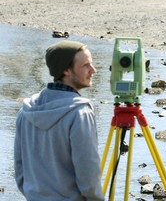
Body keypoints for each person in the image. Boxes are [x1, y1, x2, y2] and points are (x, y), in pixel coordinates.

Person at [14, 40, 105, 201]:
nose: (93, 70)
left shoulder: (25, 111)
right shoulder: (80, 113)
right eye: (85, 65)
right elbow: (88, 175)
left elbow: (20, 171)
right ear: (66, 70)